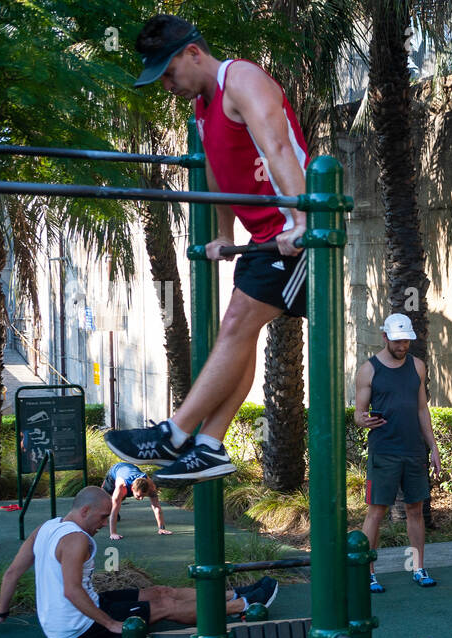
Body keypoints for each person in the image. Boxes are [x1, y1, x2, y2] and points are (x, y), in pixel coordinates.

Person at [102, 13, 311, 483]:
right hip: (265, 238)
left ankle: (174, 433)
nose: (166, 86)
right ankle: (211, 445)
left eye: (169, 73)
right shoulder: (202, 106)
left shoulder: (241, 78)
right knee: (237, 337)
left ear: (193, 52)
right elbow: (217, 175)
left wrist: (301, 220)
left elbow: (278, 147)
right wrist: (222, 234)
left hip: (301, 235)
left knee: (237, 324)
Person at [0, 486, 278, 638]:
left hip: (69, 616)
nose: (105, 524)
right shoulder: (76, 539)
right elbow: (71, 591)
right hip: (78, 627)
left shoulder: (46, 528)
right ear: (85, 510)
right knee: (166, 606)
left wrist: (1, 614)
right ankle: (242, 606)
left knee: (158, 591)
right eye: (103, 517)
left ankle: (231, 594)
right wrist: (110, 623)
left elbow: (12, 572)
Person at [354, 313, 442, 592]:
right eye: (397, 341)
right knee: (376, 512)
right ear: (385, 337)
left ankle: (418, 568)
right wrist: (363, 419)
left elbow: (421, 409)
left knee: (415, 510)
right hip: (384, 452)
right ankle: (367, 573)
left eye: (406, 340)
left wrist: (433, 447)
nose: (402, 346)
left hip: (414, 451)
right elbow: (358, 413)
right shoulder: (368, 369)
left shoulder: (417, 366)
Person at [102, 462, 172, 540]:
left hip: (130, 468)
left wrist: (161, 528)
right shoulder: (121, 487)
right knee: (105, 498)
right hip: (115, 471)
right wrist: (113, 533)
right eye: (139, 496)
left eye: (143, 496)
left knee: (121, 498)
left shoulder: (151, 487)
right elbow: (114, 511)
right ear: (132, 488)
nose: (141, 499)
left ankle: (122, 498)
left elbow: (156, 507)